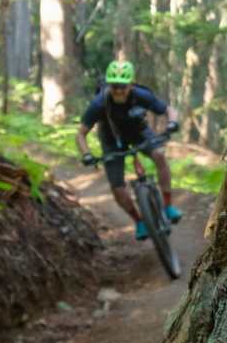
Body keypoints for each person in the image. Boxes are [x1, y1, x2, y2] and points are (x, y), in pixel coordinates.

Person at [77, 60, 182, 240]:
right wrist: (86, 154)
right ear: (109, 85)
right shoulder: (99, 103)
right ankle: (139, 221)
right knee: (117, 188)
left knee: (159, 155)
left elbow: (169, 110)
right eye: (114, 86)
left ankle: (168, 206)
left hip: (139, 132)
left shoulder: (141, 95)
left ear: (131, 85)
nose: (118, 90)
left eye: (122, 87)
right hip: (111, 140)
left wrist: (172, 123)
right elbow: (80, 134)